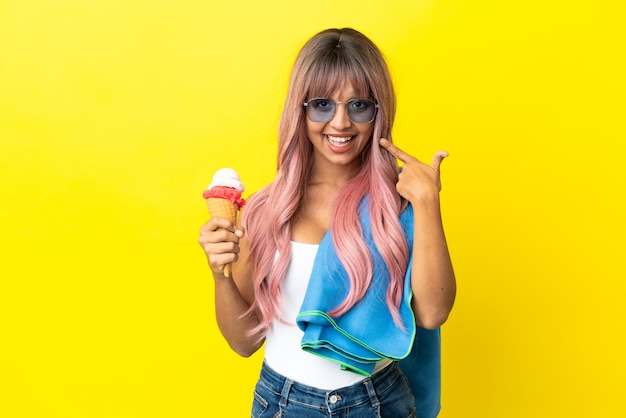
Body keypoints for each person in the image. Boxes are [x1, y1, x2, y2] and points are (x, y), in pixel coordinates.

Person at [199, 27, 456, 418]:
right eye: (322, 104)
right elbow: (242, 343)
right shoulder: (268, 210)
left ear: (378, 112)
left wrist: (427, 204)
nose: (340, 123)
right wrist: (220, 274)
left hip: (378, 402)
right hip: (283, 404)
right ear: (300, 110)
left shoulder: (397, 201)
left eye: (359, 106)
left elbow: (433, 313)